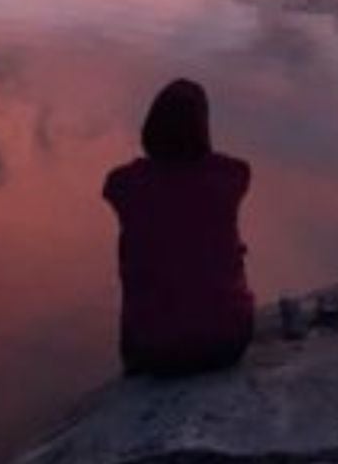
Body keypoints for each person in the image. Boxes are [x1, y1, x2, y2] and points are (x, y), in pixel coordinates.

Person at [104, 79, 254, 376]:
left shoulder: (125, 184)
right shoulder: (230, 177)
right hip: (226, 343)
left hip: (151, 350)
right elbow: (238, 167)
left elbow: (112, 185)